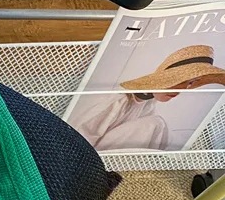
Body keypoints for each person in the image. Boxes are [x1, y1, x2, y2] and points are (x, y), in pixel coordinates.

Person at [70, 44, 225, 151]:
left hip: (110, 154)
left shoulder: (148, 103)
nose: (180, 90)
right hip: (85, 152)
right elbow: (81, 134)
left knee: (158, 124)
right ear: (161, 80)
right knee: (156, 124)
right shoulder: (118, 99)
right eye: (177, 81)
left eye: (189, 83)